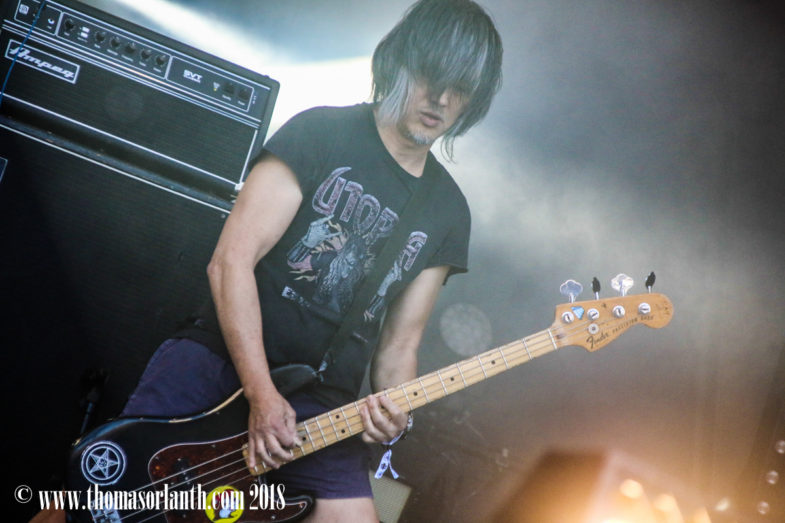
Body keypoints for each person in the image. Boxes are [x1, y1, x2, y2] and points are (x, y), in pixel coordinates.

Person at [35, 1, 502, 522]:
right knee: (99, 504)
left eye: (460, 89)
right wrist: (261, 393)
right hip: (222, 364)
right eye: (432, 77)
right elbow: (230, 262)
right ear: (401, 62)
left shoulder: (447, 211)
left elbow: (398, 347)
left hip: (321, 407)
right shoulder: (320, 133)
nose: (441, 99)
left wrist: (398, 417)